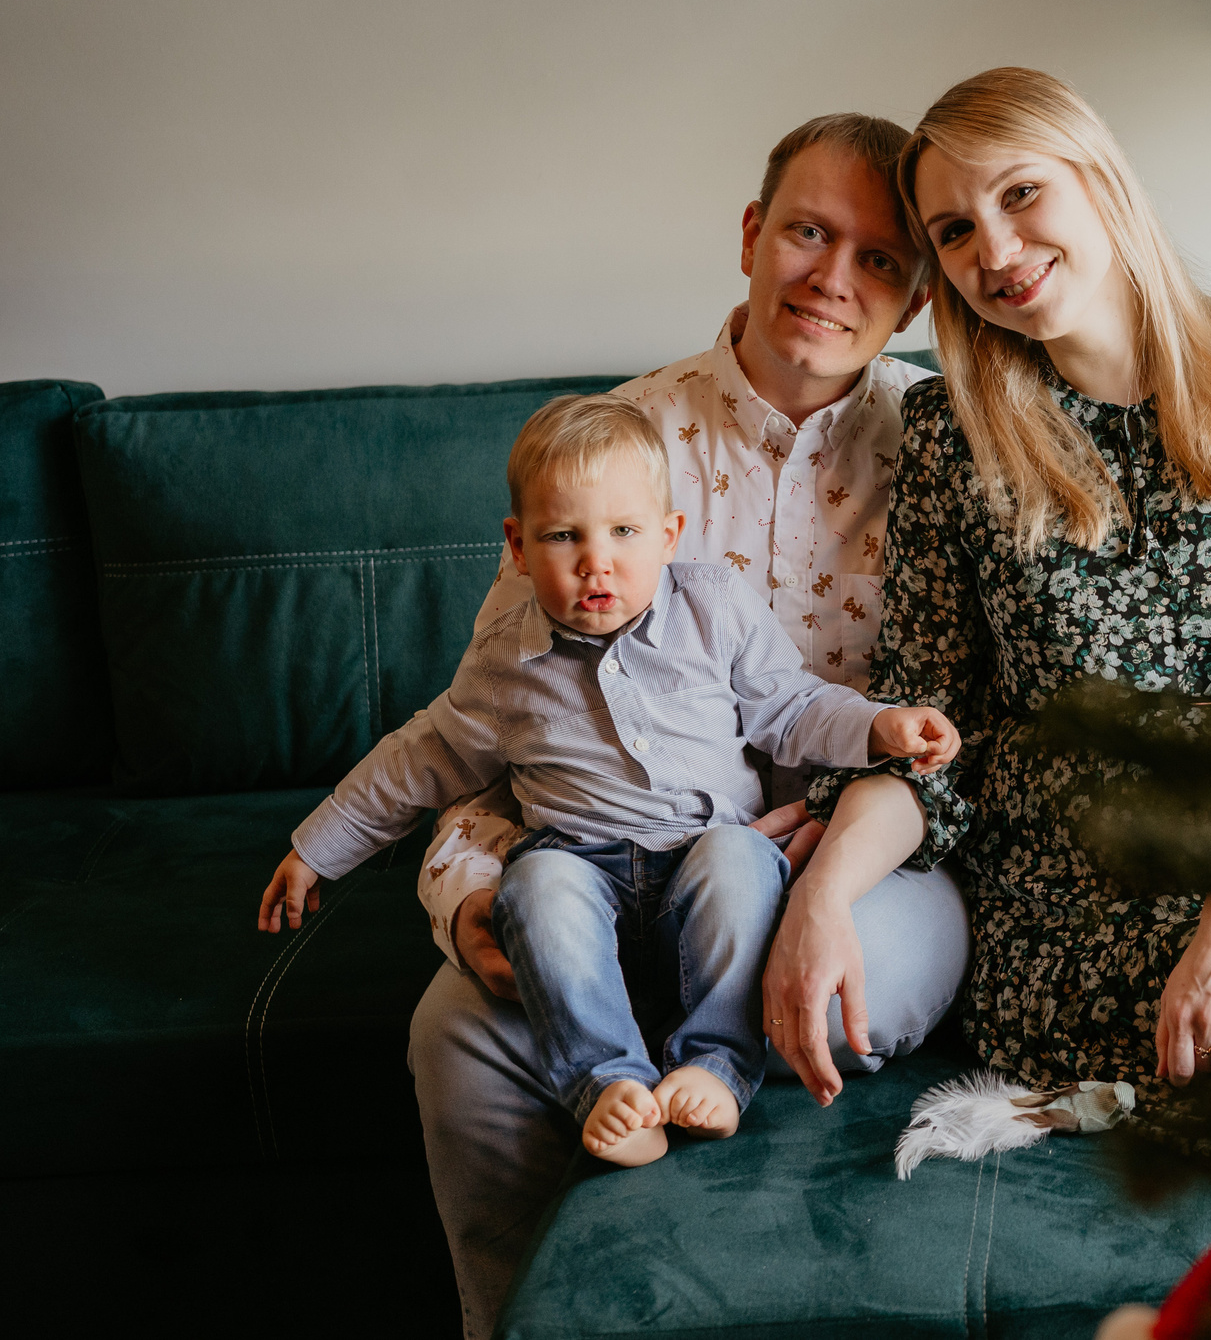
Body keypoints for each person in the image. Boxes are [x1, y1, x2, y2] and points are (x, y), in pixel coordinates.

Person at [379, 114, 973, 1339]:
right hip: (608, 857)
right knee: (458, 1030)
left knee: (852, 983)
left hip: (847, 872)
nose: (831, 278)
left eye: (876, 258)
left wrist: (812, 891)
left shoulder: (949, 455)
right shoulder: (611, 443)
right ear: (753, 236)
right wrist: (464, 895)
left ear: (912, 297)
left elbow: (941, 738)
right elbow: (493, 724)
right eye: (809, 233)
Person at [761, 67, 1211, 1112]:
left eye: (1019, 194)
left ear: (1098, 179)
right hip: (1069, 900)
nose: (994, 253)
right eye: (953, 231)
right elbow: (927, 727)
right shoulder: (953, 436)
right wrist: (820, 898)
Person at [258, 395, 960, 1169]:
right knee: (536, 887)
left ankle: (717, 1064)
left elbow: (790, 709)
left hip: (706, 852)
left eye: (625, 532)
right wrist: (316, 848)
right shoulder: (504, 661)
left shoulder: (713, 607)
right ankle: (608, 1084)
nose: (597, 559)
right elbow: (419, 758)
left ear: (668, 537)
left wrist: (877, 725)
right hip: (580, 865)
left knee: (738, 862)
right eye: (564, 535)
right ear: (518, 547)